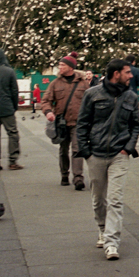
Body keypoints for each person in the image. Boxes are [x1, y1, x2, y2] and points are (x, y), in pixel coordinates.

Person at [75, 59, 139, 261]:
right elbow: (82, 124)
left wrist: (127, 148)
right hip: (95, 154)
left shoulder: (131, 96)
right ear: (116, 74)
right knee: (98, 199)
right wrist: (86, 151)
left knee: (115, 198)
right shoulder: (92, 94)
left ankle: (112, 242)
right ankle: (103, 229)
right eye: (127, 72)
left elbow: (136, 125)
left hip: (118, 155)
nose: (131, 76)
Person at [43, 55, 90, 186]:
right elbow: (46, 100)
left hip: (78, 122)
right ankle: (64, 174)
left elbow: (91, 101)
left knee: (77, 148)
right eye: (59, 65)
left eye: (62, 65)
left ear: (70, 67)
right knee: (63, 150)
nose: (60, 67)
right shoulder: (55, 83)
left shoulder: (83, 83)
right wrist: (48, 112)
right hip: (61, 123)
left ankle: (78, 178)